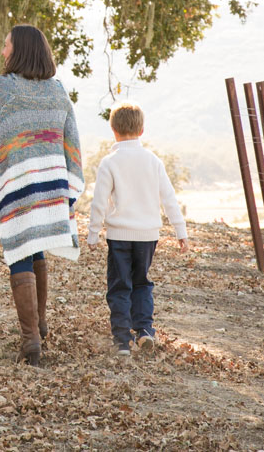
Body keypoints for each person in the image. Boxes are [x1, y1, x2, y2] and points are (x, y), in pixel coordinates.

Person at [0, 25, 84, 366]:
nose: (3, 52)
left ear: (18, 50)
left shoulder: (3, 90)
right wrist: (69, 183)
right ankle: (40, 325)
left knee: (20, 250)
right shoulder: (57, 91)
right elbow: (72, 140)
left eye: (6, 46)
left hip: (18, 182)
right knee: (36, 247)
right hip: (51, 183)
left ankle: (31, 340)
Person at [87, 101, 189, 357]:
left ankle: (122, 340)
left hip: (119, 236)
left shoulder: (109, 162)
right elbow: (168, 198)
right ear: (142, 130)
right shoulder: (153, 161)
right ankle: (144, 331)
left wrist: (92, 233)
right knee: (142, 283)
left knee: (120, 285)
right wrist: (180, 231)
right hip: (147, 236)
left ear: (113, 130)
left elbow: (99, 201)